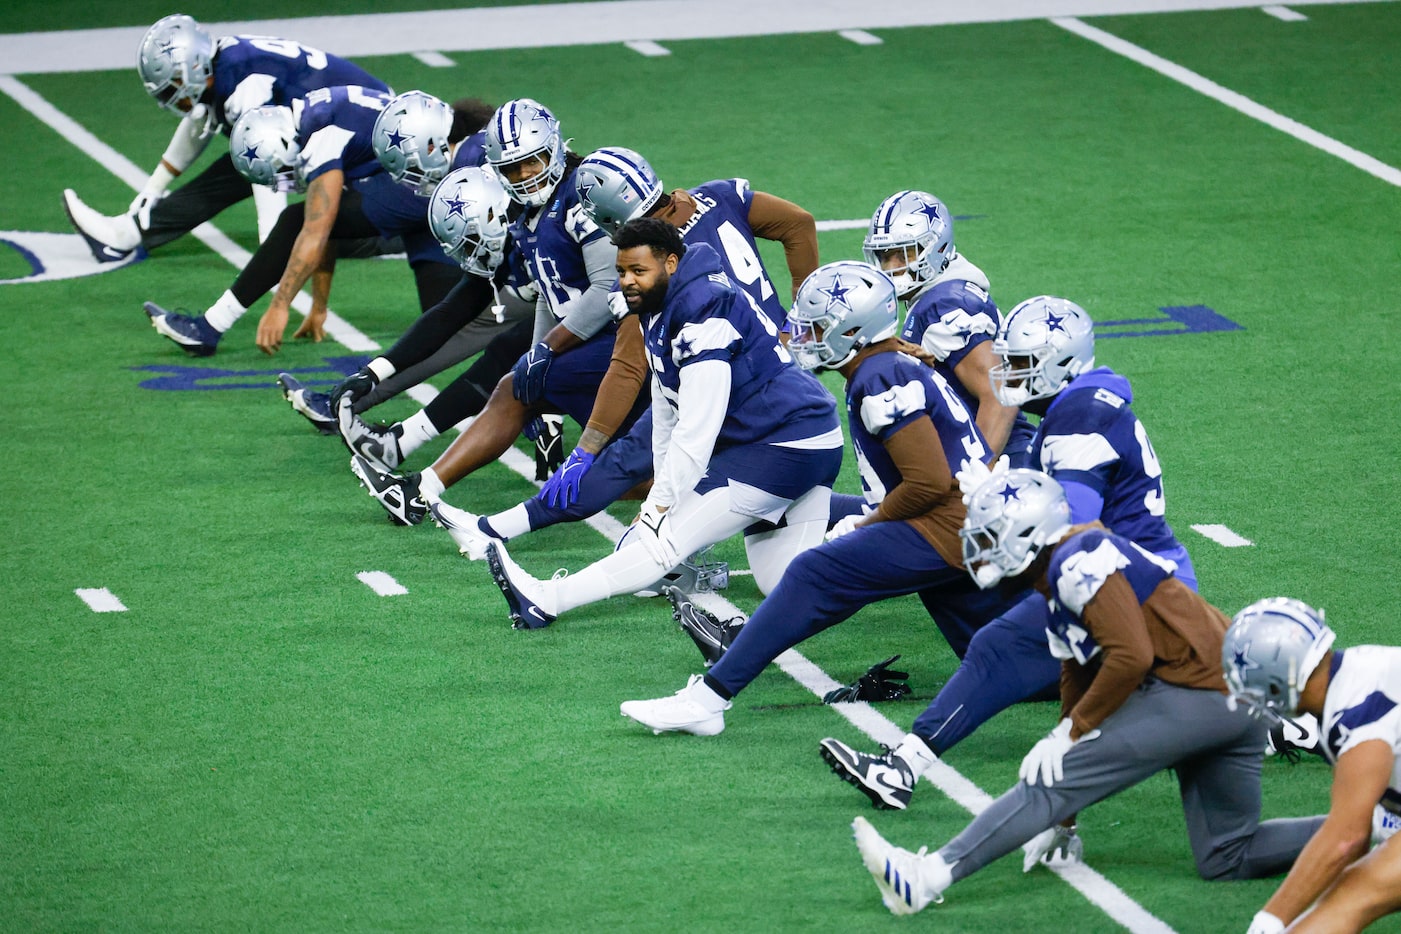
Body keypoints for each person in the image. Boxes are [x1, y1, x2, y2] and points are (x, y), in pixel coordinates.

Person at [819, 297, 1198, 860]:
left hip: (1126, 581)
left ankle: (907, 769)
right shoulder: (1081, 403)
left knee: (1020, 655)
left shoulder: (1080, 418)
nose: (1007, 374)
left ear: (1060, 363)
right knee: (1073, 676)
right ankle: (917, 771)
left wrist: (994, 511)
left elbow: (1075, 524)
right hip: (1122, 573)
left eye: (1021, 363)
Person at [850, 469, 1324, 916]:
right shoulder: (1058, 576)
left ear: (1029, 534)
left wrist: (1072, 734)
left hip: (1197, 690)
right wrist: (1066, 805)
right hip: (1232, 701)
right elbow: (1075, 674)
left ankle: (924, 878)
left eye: (991, 536)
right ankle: (1379, 833)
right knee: (1227, 854)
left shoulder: (1079, 560)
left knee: (1048, 782)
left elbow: (1131, 656)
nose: (980, 548)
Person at [617, 260, 992, 733]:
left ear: (853, 331)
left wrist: (868, 525)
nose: (803, 336)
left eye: (816, 327)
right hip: (967, 522)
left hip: (947, 527)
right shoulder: (886, 364)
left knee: (815, 570)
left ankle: (708, 699)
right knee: (988, 650)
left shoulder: (881, 376)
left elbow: (928, 485)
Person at [427, 146, 819, 572]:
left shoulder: (651, 269)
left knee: (632, 475)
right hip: (776, 371)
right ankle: (494, 528)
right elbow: (799, 224)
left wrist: (587, 448)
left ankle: (495, 533)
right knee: (771, 507)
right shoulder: (720, 196)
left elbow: (629, 367)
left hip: (733, 389)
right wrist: (798, 317)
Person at [482, 218, 842, 630]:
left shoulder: (701, 310)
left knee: (660, 541)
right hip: (797, 438)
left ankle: (546, 600)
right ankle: (873, 534)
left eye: (639, 271)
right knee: (786, 583)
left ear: (671, 263)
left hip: (782, 443)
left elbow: (697, 426)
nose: (627, 282)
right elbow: (666, 407)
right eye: (621, 272)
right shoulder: (662, 304)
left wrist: (658, 508)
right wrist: (659, 495)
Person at [345, 99, 646, 525]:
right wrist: (538, 354)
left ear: (555, 148)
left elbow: (606, 288)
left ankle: (428, 493)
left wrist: (547, 351)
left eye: (532, 161)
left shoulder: (582, 197)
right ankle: (421, 490)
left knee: (625, 469)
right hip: (597, 344)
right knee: (521, 390)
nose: (525, 175)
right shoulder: (528, 215)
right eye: (512, 169)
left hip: (630, 340)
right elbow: (550, 293)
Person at [141, 87, 476, 361]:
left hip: (427, 178)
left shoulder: (322, 139)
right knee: (449, 328)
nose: (285, 183)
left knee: (294, 220)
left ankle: (211, 325)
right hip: (423, 175)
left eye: (280, 173)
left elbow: (317, 228)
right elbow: (328, 223)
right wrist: (318, 305)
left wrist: (279, 305)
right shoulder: (309, 114)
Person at [275, 90, 532, 432]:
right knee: (468, 329)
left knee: (488, 339)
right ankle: (356, 406)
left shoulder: (476, 164)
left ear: (431, 146)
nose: (409, 179)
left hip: (566, 274)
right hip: (540, 271)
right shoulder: (473, 154)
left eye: (409, 166)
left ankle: (539, 410)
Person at [62, 14, 388, 264]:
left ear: (192, 67)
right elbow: (199, 122)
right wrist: (153, 187)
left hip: (371, 138)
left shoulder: (246, 85)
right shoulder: (221, 66)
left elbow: (265, 170)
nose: (172, 95)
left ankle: (405, 227)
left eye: (174, 83)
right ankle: (129, 233)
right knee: (243, 161)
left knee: (336, 233)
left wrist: (269, 248)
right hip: (331, 131)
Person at [1222, 598, 1401, 934]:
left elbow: (1347, 837)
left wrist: (1270, 919)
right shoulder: (1354, 676)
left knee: (1354, 894)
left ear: (1276, 681)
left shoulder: (1357, 713)